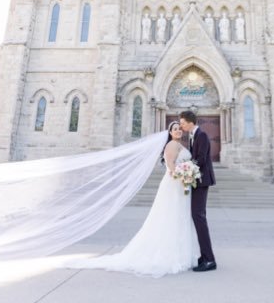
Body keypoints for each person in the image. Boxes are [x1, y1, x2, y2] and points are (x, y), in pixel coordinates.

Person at [63, 121, 200, 278]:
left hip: (181, 185)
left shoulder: (180, 144)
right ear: (170, 132)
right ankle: (171, 255)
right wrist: (183, 174)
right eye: (174, 129)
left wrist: (188, 172)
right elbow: (170, 166)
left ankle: (180, 254)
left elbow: (180, 163)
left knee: (179, 218)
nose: (177, 131)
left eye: (179, 129)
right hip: (174, 184)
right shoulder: (171, 145)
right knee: (170, 217)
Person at [179, 111, 217, 272]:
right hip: (197, 180)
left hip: (201, 181)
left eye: (182, 123)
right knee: (198, 216)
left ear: (190, 122)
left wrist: (184, 168)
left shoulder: (201, 135)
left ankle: (209, 260)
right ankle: (205, 256)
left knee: (199, 217)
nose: (181, 126)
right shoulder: (194, 136)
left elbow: (201, 159)